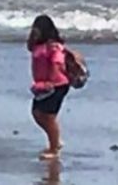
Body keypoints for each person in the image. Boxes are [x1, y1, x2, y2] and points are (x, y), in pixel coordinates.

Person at [28, 14, 69, 161]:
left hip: (57, 84)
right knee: (37, 113)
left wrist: (50, 82)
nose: (35, 31)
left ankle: (54, 147)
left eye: (37, 28)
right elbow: (30, 48)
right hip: (42, 85)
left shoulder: (53, 46)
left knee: (48, 116)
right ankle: (55, 140)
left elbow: (56, 63)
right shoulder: (37, 45)